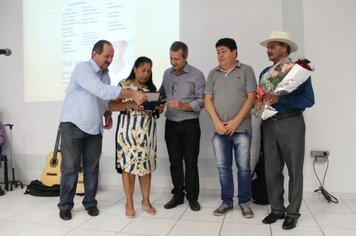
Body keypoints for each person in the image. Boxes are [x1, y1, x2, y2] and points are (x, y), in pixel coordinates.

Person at [58, 40, 147, 221]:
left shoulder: (106, 75)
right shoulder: (83, 69)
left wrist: (107, 113)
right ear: (94, 54)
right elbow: (100, 90)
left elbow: (102, 99)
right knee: (70, 168)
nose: (110, 60)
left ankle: (90, 203)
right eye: (107, 56)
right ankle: (65, 206)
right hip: (73, 125)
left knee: (92, 168)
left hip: (94, 128)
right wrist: (131, 93)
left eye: (112, 56)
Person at [258, 31, 314, 230]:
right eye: (268, 47)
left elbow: (309, 100)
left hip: (292, 123)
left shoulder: (298, 71)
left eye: (272, 46)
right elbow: (261, 97)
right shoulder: (264, 72)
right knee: (271, 169)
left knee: (294, 170)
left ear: (285, 48)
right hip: (269, 123)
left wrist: (281, 99)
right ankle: (277, 209)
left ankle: (293, 213)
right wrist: (260, 102)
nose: (269, 50)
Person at [204, 38, 256, 218]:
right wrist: (217, 123)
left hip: (242, 129)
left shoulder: (247, 70)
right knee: (223, 168)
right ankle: (227, 202)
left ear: (234, 52)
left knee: (243, 168)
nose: (220, 54)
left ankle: (244, 202)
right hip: (220, 131)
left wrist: (235, 122)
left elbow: (251, 99)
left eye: (223, 51)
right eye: (218, 51)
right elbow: (207, 100)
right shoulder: (212, 73)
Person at [108, 56, 163, 218]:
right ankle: (129, 203)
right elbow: (110, 105)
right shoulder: (124, 85)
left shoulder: (151, 88)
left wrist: (160, 108)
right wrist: (130, 104)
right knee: (128, 168)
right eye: (143, 70)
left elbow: (158, 111)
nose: (146, 74)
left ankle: (146, 201)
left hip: (147, 135)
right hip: (127, 135)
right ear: (135, 69)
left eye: (149, 71)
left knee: (146, 168)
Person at [159, 41, 206, 211]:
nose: (173, 62)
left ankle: (192, 197)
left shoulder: (197, 75)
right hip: (171, 125)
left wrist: (182, 106)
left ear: (185, 57)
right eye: (171, 58)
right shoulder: (166, 74)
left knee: (191, 162)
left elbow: (202, 102)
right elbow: (162, 94)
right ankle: (178, 195)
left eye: (176, 59)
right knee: (174, 162)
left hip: (190, 125)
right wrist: (156, 103)